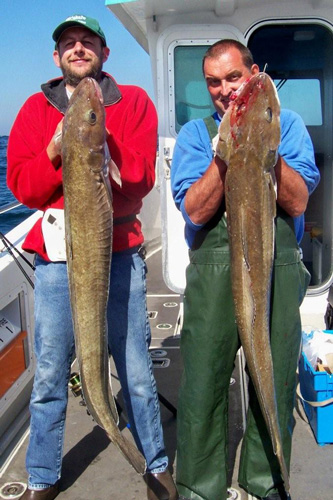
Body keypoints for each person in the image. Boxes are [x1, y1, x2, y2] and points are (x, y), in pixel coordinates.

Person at [7, 14, 177, 500]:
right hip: (58, 258)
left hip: (120, 251)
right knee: (50, 372)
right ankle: (42, 475)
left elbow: (141, 179)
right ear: (56, 57)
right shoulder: (34, 110)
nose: (77, 49)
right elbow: (23, 186)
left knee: (138, 371)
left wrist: (102, 139)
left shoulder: (135, 102)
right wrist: (57, 151)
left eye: (87, 42)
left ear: (104, 53)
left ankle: (154, 464)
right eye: (68, 43)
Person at [171, 39, 320, 500]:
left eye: (233, 78)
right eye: (213, 82)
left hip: (277, 266)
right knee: (202, 383)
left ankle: (269, 481)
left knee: (272, 378)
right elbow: (194, 212)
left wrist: (264, 149)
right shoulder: (196, 135)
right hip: (215, 272)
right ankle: (198, 489)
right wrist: (226, 151)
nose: (225, 90)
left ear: (252, 74)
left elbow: (297, 201)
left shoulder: (287, 125)